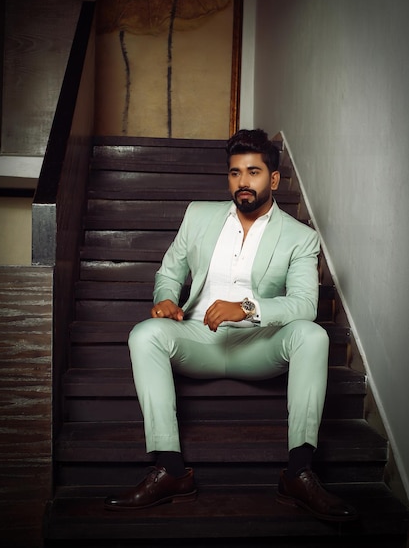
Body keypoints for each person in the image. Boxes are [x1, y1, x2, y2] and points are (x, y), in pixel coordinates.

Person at [105, 129, 358, 522]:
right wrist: (165, 298)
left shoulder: (300, 238)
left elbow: (305, 304)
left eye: (253, 172)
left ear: (273, 180)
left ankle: (299, 472)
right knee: (144, 334)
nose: (243, 181)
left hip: (259, 345)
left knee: (313, 334)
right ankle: (170, 470)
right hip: (198, 339)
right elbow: (170, 270)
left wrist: (246, 307)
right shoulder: (198, 215)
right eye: (235, 172)